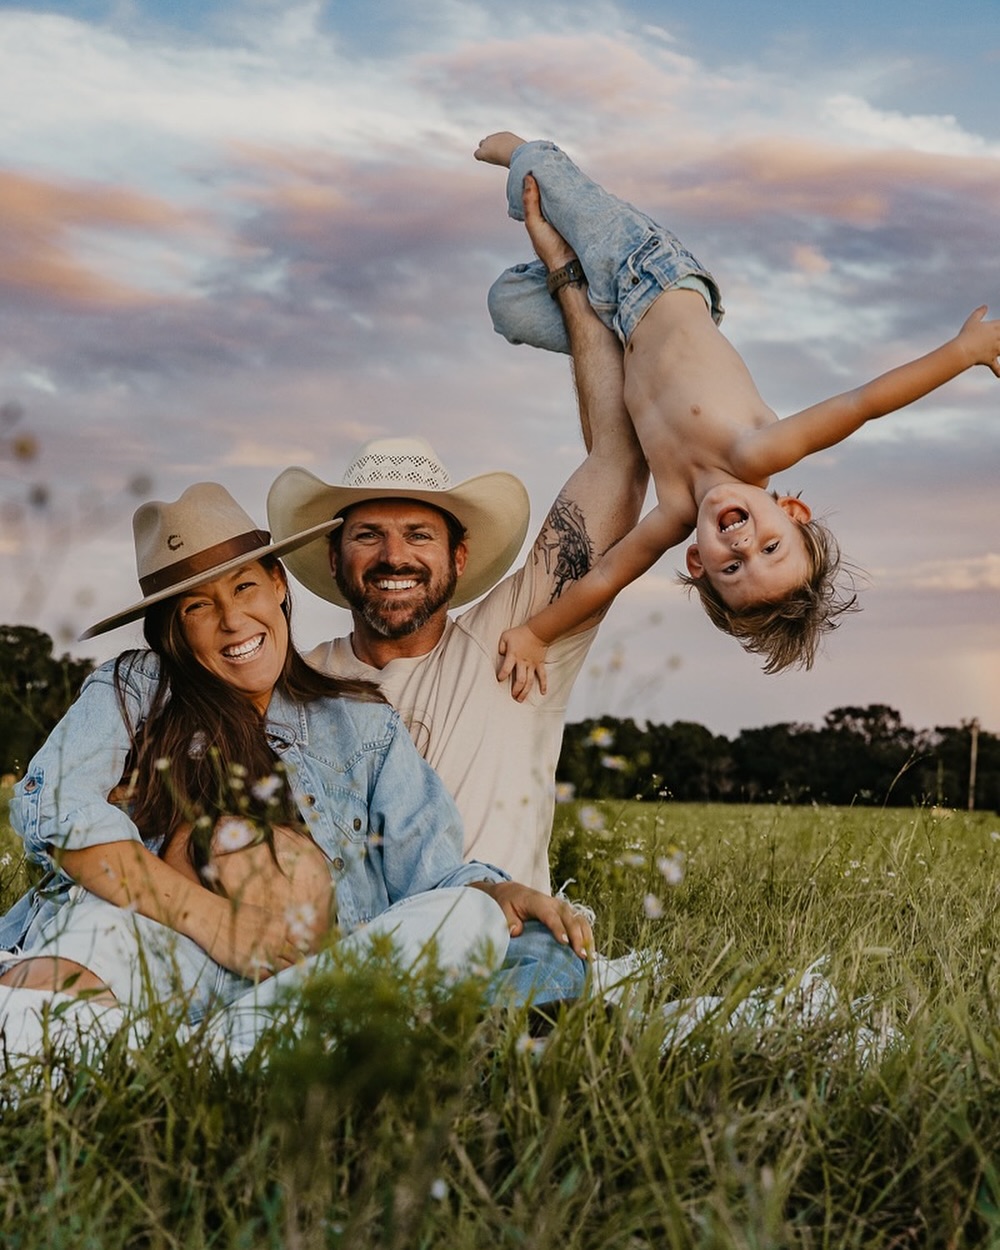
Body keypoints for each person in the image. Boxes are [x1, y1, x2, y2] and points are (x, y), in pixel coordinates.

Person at [0, 483, 591, 1064]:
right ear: (171, 629)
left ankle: (209, 1051)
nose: (233, 620)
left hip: (303, 970)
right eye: (197, 606)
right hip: (161, 944)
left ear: (278, 584)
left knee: (480, 921)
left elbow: (428, 879)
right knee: (47, 995)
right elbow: (58, 808)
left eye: (245, 586)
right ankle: (237, 1052)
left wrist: (498, 891)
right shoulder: (138, 688)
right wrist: (215, 924)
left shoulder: (361, 724)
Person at [474, 132, 1000, 688]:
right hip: (651, 272)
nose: (744, 546)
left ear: (698, 561)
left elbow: (605, 577)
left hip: (617, 325)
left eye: (732, 567)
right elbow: (862, 403)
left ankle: (569, 265)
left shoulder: (674, 513)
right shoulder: (756, 451)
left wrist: (537, 634)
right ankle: (522, 152)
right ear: (793, 511)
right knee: (544, 178)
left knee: (506, 305)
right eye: (771, 547)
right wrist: (961, 353)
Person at [266, 190, 648, 895]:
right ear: (332, 556)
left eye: (419, 534)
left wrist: (566, 275)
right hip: (366, 969)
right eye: (368, 535)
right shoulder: (296, 684)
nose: (394, 557)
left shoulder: (515, 637)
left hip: (497, 947)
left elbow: (619, 465)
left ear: (458, 558)